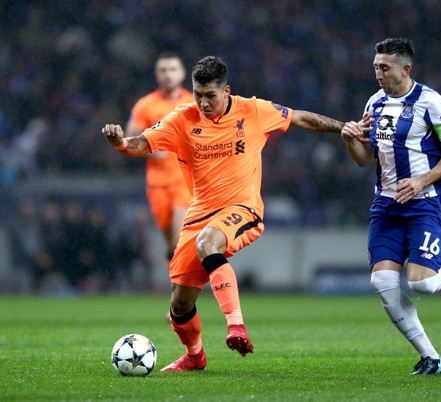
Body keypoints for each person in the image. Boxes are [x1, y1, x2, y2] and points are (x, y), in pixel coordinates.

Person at [102, 56, 354, 372]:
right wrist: (122, 143)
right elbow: (142, 144)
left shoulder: (254, 110)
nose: (204, 102)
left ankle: (236, 326)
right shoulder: (182, 118)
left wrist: (346, 128)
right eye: (198, 94)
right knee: (179, 307)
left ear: (227, 91)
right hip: (199, 214)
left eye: (211, 95)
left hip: (242, 208)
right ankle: (195, 356)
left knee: (209, 243)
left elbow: (302, 118)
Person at [341, 38, 441, 375]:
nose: (377, 73)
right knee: (383, 284)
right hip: (386, 207)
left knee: (423, 284)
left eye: (384, 67)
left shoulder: (432, 102)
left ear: (405, 69)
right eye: (375, 66)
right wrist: (349, 141)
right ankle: (431, 357)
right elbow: (364, 159)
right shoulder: (374, 102)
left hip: (424, 206)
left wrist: (422, 180)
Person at [125, 52, 194, 260]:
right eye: (163, 70)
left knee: (179, 240)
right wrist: (153, 149)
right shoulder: (146, 105)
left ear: (182, 74)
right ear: (157, 74)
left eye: (172, 70)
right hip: (157, 183)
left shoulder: (193, 104)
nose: (168, 75)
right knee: (170, 244)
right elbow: (128, 140)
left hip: (184, 180)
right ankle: (176, 280)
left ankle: (184, 284)